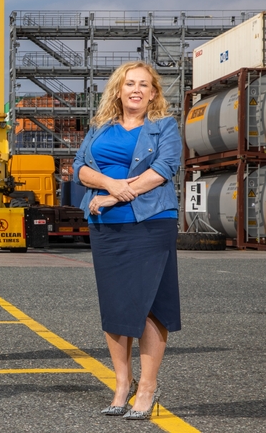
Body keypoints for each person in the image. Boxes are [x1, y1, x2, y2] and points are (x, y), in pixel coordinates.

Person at [72, 61, 181, 420]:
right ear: (118, 90)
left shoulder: (164, 127)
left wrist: (117, 195)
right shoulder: (99, 128)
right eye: (129, 83)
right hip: (106, 227)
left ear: (153, 93)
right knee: (116, 305)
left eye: (143, 85)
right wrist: (109, 186)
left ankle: (147, 388)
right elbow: (79, 169)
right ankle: (122, 383)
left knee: (149, 304)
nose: (136, 90)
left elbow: (162, 170)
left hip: (151, 223)